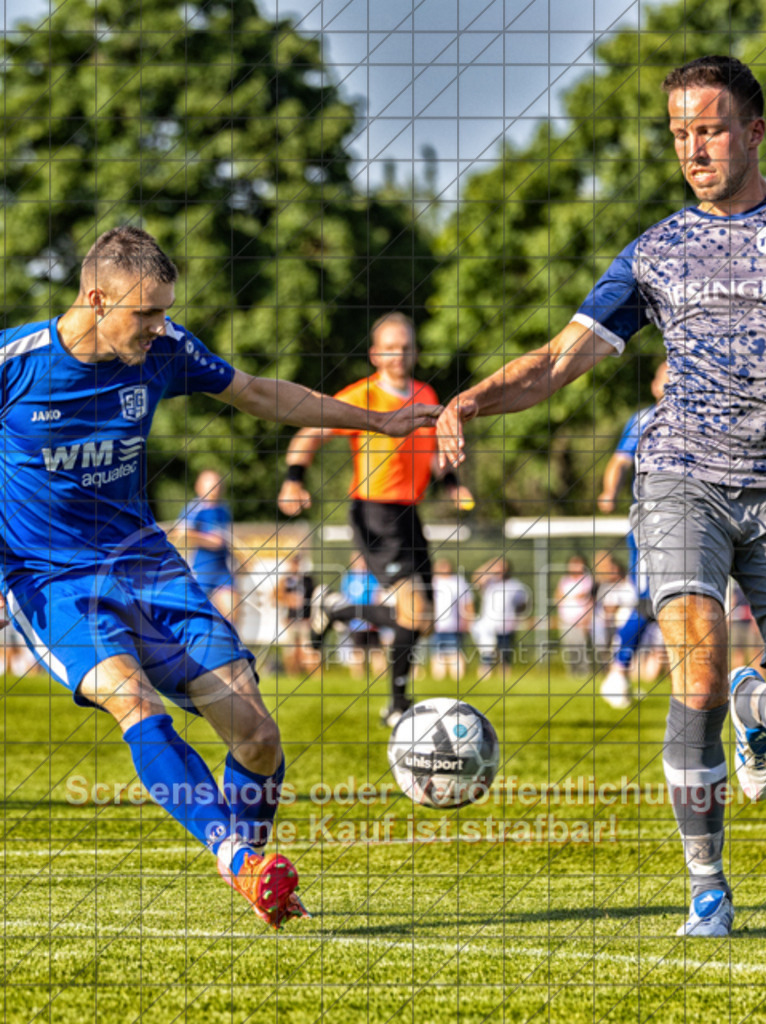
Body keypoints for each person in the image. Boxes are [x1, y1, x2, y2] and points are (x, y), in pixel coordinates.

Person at [438, 55, 766, 938]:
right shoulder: (654, 252)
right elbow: (558, 361)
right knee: (692, 669)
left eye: (711, 128)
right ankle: (708, 890)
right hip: (681, 477)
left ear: (754, 131)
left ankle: (761, 703)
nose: (694, 147)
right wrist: (470, 399)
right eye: (680, 132)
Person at [0, 226, 439, 931]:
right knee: (133, 700)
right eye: (146, 314)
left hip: (147, 563)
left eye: (165, 311)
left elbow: (261, 394)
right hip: (53, 580)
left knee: (258, 737)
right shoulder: (14, 362)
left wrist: (375, 423)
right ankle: (235, 857)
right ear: (95, 297)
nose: (159, 327)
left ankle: (256, 870)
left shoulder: (165, 352)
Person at [277, 313, 473, 727]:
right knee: (413, 612)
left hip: (410, 512)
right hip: (374, 511)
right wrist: (294, 479)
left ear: (415, 352)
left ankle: (336, 610)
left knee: (423, 620)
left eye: (406, 347)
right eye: (391, 347)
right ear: (374, 354)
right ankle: (398, 705)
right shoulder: (362, 395)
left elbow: (434, 452)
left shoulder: (425, 392)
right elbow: (309, 433)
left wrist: (453, 483)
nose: (399, 354)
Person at [597, 362, 668, 708]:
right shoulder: (643, 419)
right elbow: (620, 461)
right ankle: (618, 669)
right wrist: (610, 491)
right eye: (666, 379)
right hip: (652, 522)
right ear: (655, 386)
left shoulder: (703, 420)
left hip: (701, 520)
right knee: (648, 600)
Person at [169, 469, 240, 625]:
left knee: (233, 617)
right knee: (193, 616)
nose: (215, 489)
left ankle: (230, 647)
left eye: (217, 485)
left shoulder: (223, 509)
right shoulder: (195, 508)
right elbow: (181, 533)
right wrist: (208, 539)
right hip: (202, 569)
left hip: (222, 569)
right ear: (199, 486)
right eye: (210, 485)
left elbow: (223, 540)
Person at [471, 557, 529, 671]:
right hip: (488, 627)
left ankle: (505, 680)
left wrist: (516, 618)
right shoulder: (489, 583)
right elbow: (475, 577)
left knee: (505, 658)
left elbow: (522, 605)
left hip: (506, 627)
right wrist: (491, 564)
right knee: (486, 656)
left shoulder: (516, 586)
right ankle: (485, 677)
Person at [430, 557, 475, 681]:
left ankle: (458, 678)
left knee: (455, 653)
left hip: (454, 625)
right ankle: (439, 680)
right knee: (437, 654)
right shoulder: (431, 582)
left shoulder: (458, 582)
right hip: (435, 626)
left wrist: (468, 620)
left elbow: (467, 602)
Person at [552, 554, 595, 674]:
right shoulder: (564, 580)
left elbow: (583, 595)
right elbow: (558, 597)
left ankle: (584, 673)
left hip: (581, 620)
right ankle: (572, 673)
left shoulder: (587, 579)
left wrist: (567, 597)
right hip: (566, 619)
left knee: (581, 647)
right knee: (569, 648)